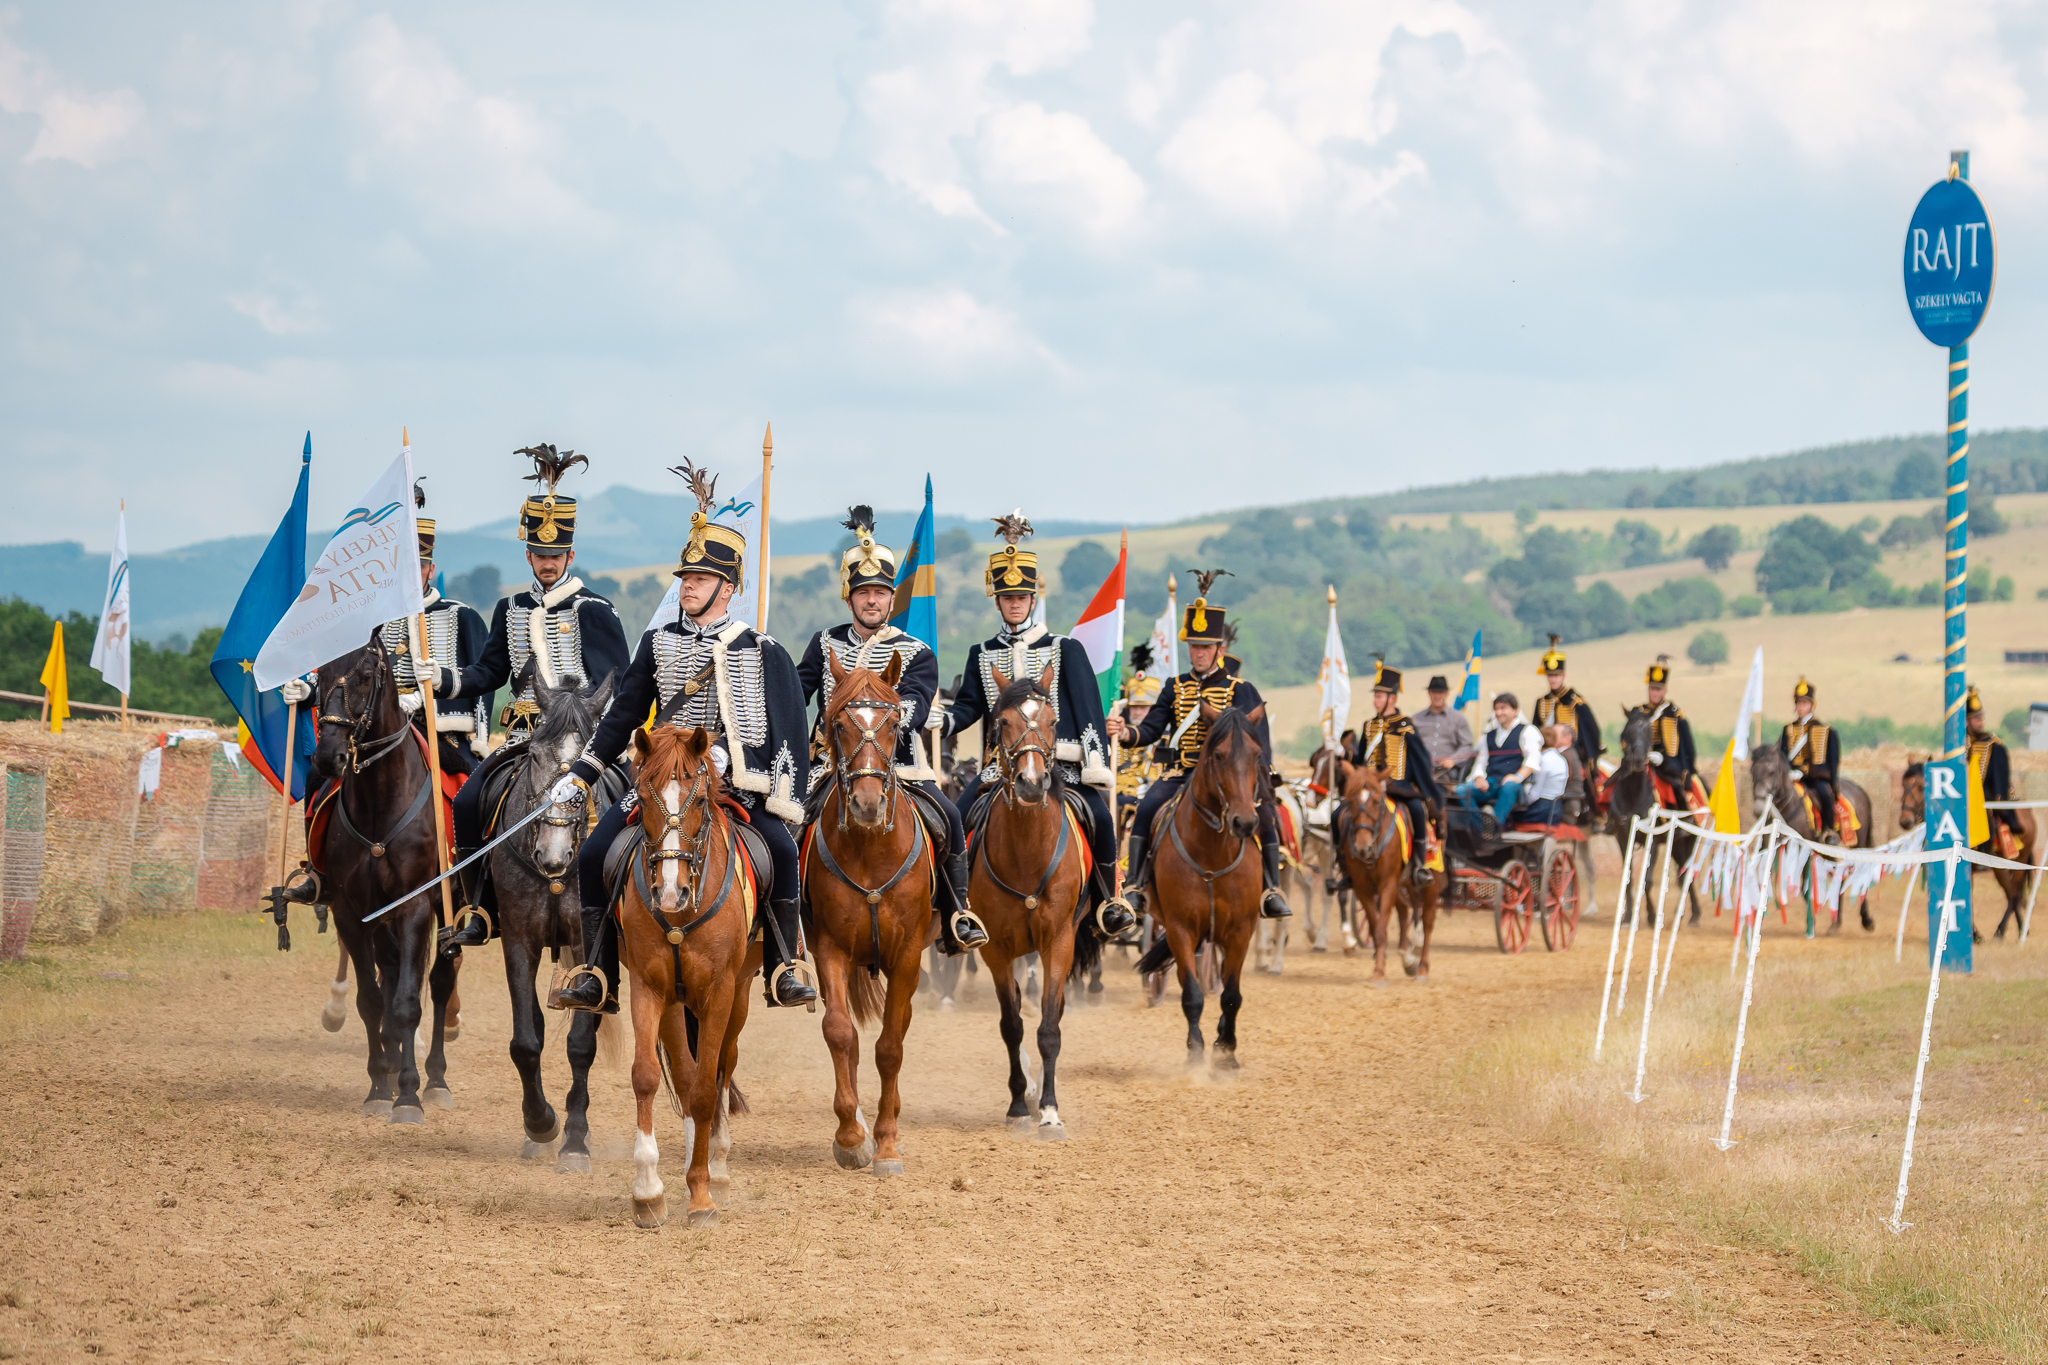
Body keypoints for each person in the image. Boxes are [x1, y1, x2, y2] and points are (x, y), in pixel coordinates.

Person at [551, 460, 815, 1013]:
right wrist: (579, 776)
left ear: (728, 586)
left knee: (784, 852)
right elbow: (622, 716)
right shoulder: (657, 641)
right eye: (684, 579)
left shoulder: (761, 649)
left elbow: (783, 730)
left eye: (697, 580)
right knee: (596, 850)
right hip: (659, 781)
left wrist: (731, 754)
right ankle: (597, 974)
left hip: (730, 786)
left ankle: (784, 965)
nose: (686, 588)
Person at [426, 445, 633, 951]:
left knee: (630, 803)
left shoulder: (596, 609)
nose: (546, 563)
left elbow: (620, 682)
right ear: (528, 556)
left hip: (583, 744)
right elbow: (489, 671)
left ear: (570, 556)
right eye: (539, 556)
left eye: (555, 555)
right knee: (472, 799)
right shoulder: (510, 607)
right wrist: (445, 680)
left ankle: (627, 903)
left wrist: (595, 731)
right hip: (523, 738)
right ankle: (478, 906)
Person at [794, 505, 986, 955]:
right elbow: (796, 695)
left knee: (952, 818)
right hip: (830, 768)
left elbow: (916, 704)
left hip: (900, 767)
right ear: (849, 598)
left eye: (880, 592)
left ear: (892, 599)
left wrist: (892, 721)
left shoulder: (915, 651)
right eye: (864, 592)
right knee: (785, 825)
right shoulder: (824, 644)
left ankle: (959, 911)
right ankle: (790, 930)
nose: (872, 600)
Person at [935, 513, 1131, 935]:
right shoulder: (981, 652)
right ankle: (956, 907)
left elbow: (1088, 709)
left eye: (1021, 596)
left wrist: (1095, 763)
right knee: (956, 816)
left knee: (1099, 817)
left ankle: (1108, 900)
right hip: (1000, 767)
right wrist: (944, 721)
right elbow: (970, 706)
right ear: (998, 602)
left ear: (1032, 598)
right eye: (1007, 598)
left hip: (1062, 765)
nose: (1015, 603)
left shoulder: (1065, 648)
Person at [1107, 572, 1290, 919]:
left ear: (1220, 649)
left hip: (1231, 775)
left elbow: (1259, 743)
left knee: (1265, 815)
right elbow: (1149, 730)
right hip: (1182, 772)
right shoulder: (1174, 687)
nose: (1199, 653)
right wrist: (1125, 731)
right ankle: (1134, 886)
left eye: (1205, 647)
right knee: (1146, 809)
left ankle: (1271, 889)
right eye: (1193, 646)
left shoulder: (1241, 689)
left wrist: (1258, 781)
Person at [1345, 659, 1442, 882]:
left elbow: (1420, 759)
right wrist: (1344, 754)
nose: (1375, 700)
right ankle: (1345, 866)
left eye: (1379, 696)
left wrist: (1423, 786)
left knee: (1417, 811)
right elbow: (1360, 759)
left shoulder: (1404, 725)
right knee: (1339, 814)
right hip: (1368, 788)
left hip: (1398, 786)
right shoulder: (1368, 726)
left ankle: (1419, 865)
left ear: (1392, 698)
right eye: (1375, 695)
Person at [1454, 693, 1541, 828]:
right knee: (1461, 790)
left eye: (1503, 708)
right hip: (1492, 782)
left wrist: (1517, 777)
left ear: (1515, 710)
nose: (1499, 712)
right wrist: (1478, 777)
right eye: (1496, 709)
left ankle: (1495, 825)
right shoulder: (1489, 735)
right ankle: (1482, 827)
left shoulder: (1528, 731)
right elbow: (1480, 763)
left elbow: (1533, 759)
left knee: (1509, 786)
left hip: (1517, 787)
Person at [1630, 655, 1705, 809]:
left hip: (1667, 765)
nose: (1654, 693)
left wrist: (1685, 768)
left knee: (1676, 786)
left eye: (1658, 689)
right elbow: (1627, 738)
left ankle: (1684, 819)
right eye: (1652, 688)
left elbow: (1687, 745)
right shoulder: (1639, 712)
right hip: (1640, 760)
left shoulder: (1674, 714)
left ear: (1665, 691)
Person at [1779, 676, 1841, 840]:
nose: (1800, 707)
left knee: (1825, 796)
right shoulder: (1788, 729)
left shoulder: (1825, 730)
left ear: (1812, 706)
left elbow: (1832, 761)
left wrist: (1832, 783)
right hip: (1792, 778)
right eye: (1798, 704)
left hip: (1815, 779)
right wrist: (1788, 772)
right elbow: (1782, 756)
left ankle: (1829, 831)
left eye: (1804, 704)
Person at [1531, 635, 1602, 776]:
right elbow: (1535, 729)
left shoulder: (1577, 702)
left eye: (1557, 675)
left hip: (1572, 755)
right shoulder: (1541, 702)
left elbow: (1591, 731)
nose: (1553, 679)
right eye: (1550, 675)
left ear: (1564, 676)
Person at [1967, 686, 2022, 854]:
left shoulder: (1994, 744)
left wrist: (1999, 798)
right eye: (1976, 719)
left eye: (1981, 717)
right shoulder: (1962, 744)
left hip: (1988, 792)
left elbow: (1999, 776)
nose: (1981, 722)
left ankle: (1985, 850)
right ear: (1967, 721)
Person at [1115, 643, 1166, 826]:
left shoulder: (1165, 739)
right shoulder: (1116, 737)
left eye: (1144, 707)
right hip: (1118, 800)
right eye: (1134, 707)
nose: (1137, 712)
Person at [1412, 675, 1477, 779]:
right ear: (1429, 693)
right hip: (1420, 768)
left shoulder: (1458, 719)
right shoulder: (1416, 719)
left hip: (1446, 771)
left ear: (1446, 693)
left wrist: (1453, 760)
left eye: (1440, 692)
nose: (1437, 696)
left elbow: (1467, 745)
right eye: (1434, 692)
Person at [1518, 725, 1572, 827]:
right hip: (1556, 809)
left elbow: (1534, 794)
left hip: (1542, 810)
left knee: (1512, 815)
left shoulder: (1542, 760)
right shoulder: (1561, 759)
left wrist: (1521, 804)